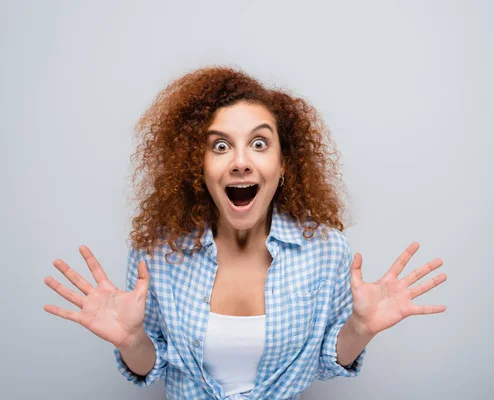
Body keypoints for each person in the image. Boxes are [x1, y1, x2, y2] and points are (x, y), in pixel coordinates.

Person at [43, 66, 447, 399]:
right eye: (220, 146)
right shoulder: (157, 253)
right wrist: (131, 339)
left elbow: (326, 363)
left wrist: (360, 329)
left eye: (258, 143)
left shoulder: (325, 251)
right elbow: (153, 367)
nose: (239, 162)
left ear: (284, 164)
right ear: (196, 165)